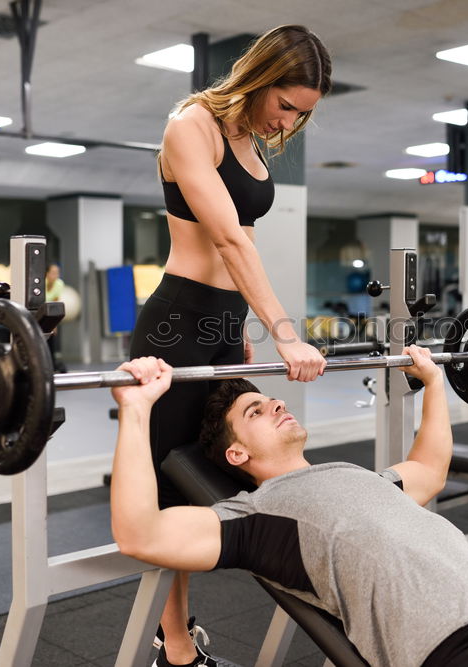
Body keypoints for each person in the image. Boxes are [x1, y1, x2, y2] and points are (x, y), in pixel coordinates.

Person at [109, 350, 468, 667]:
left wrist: (435, 383)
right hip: (459, 657)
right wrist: (137, 412)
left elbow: (430, 468)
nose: (277, 403)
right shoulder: (257, 518)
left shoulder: (358, 478)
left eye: (271, 398)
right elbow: (141, 534)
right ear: (236, 452)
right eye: (257, 411)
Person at [128, 24, 332, 666]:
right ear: (259, 79)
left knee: (219, 475)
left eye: (303, 114)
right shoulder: (192, 125)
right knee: (169, 483)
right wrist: (286, 331)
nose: (289, 122)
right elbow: (228, 242)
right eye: (287, 105)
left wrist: (241, 323)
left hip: (220, 322)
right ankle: (175, 642)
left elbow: (244, 234)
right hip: (177, 322)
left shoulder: (248, 138)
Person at [45, 263, 67, 373]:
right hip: (36, 313)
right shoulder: (41, 284)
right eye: (53, 273)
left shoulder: (59, 284)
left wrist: (54, 324)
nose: (56, 275)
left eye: (57, 273)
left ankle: (51, 366)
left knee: (51, 338)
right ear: (47, 274)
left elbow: (55, 304)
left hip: (48, 314)